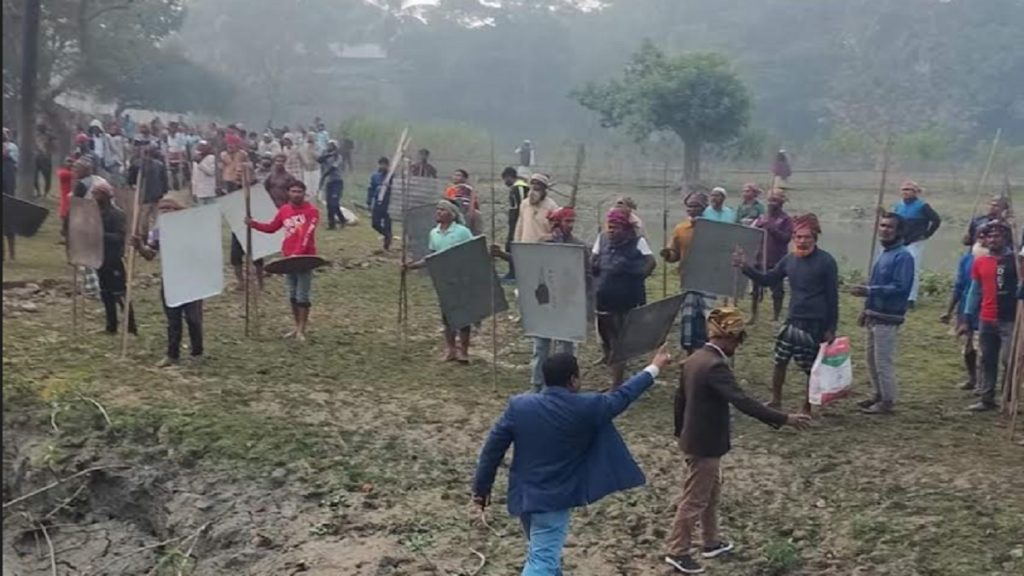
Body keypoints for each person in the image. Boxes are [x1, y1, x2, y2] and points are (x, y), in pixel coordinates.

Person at [473, 346, 673, 576]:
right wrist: (654, 367)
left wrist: (481, 489)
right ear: (573, 380)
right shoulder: (588, 407)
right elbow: (624, 395)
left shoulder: (519, 407)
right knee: (542, 560)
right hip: (553, 500)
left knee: (544, 554)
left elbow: (492, 450)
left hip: (524, 497)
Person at [665, 307, 810, 574]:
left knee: (710, 494)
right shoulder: (715, 366)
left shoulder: (694, 359)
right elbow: (743, 401)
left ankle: (710, 542)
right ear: (728, 337)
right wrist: (784, 418)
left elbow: (679, 400)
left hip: (694, 439)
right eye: (737, 340)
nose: (737, 346)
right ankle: (678, 551)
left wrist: (680, 433)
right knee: (695, 499)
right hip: (705, 444)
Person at [733, 213, 839, 414]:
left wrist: (831, 328)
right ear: (793, 238)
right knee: (780, 360)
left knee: (811, 367)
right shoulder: (789, 260)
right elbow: (767, 279)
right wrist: (745, 267)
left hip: (815, 322)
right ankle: (775, 400)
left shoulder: (826, 262)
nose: (802, 241)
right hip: (793, 319)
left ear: (815, 238)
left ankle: (807, 406)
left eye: (806, 237)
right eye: (798, 237)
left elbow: (833, 297)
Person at [492, 207, 588, 389]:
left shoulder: (578, 247)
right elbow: (527, 264)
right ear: (556, 223)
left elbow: (586, 275)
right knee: (542, 345)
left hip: (567, 303)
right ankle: (537, 384)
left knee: (567, 347)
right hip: (545, 301)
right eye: (567, 221)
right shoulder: (543, 243)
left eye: (572, 221)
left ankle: (567, 384)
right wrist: (503, 255)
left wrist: (578, 295)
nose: (570, 225)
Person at [850, 213, 915, 414]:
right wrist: (866, 309)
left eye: (890, 227)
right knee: (871, 359)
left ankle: (888, 400)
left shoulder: (903, 256)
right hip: (874, 314)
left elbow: (901, 287)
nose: (885, 230)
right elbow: (876, 282)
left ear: (899, 231)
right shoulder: (885, 253)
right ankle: (878, 393)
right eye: (883, 226)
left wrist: (870, 291)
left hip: (888, 316)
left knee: (883, 361)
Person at [133, 197, 204, 367]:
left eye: (168, 209)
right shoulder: (158, 231)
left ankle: (197, 352)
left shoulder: (191, 228)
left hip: (192, 278)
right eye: (161, 210)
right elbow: (150, 254)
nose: (164, 213)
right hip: (171, 279)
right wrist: (140, 246)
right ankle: (172, 354)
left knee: (193, 318)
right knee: (173, 319)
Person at [246, 181, 320, 342]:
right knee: (292, 294)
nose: (296, 194)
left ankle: (302, 329)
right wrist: (254, 224)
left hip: (305, 259)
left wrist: (298, 253)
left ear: (304, 193)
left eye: (299, 191)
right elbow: (272, 227)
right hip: (288, 258)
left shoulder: (312, 211)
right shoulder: (284, 210)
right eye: (293, 191)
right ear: (288, 193)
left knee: (302, 295)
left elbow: (307, 234)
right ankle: (296, 326)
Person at [403, 200, 475, 362]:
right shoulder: (434, 233)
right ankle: (451, 349)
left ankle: (464, 351)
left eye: (443, 210)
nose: (438, 212)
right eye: (438, 209)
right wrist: (412, 266)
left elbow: (472, 252)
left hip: (461, 278)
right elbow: (432, 257)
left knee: (464, 315)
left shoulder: (462, 232)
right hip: (443, 279)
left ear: (452, 214)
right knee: (447, 316)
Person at [593, 208, 656, 387]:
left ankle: (617, 385)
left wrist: (633, 273)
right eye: (610, 226)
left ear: (626, 228)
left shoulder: (637, 242)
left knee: (618, 343)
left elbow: (651, 263)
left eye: (616, 227)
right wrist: (595, 266)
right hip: (603, 297)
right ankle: (611, 364)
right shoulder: (602, 239)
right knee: (606, 339)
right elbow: (594, 259)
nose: (611, 230)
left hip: (625, 301)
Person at [961, 221, 1018, 411]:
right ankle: (987, 398)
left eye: (997, 236)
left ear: (1006, 238)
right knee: (987, 358)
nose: (993, 240)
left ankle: (1009, 398)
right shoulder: (980, 262)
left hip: (1010, 318)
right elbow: (975, 291)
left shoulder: (1016, 262)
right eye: (990, 236)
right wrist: (967, 315)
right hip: (986, 317)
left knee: (1009, 360)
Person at [662, 192, 711, 355]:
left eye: (695, 206)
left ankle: (706, 353)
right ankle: (690, 353)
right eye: (689, 206)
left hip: (710, 280)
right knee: (689, 318)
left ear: (704, 208)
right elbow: (674, 254)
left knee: (706, 317)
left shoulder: (713, 228)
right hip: (688, 279)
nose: (691, 209)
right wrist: (668, 254)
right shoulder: (681, 229)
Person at [91, 181, 137, 335]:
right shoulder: (93, 213)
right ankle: (111, 326)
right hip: (99, 259)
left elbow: (119, 237)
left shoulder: (117, 214)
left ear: (106, 196)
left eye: (98, 194)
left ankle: (131, 327)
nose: (95, 197)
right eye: (94, 193)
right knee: (105, 293)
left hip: (114, 260)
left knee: (120, 294)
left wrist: (99, 234)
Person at [942, 238, 988, 392]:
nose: (983, 241)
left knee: (982, 350)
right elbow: (959, 285)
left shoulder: (999, 262)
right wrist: (949, 310)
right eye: (980, 237)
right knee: (967, 348)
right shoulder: (967, 260)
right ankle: (972, 378)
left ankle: (983, 383)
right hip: (966, 310)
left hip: (985, 311)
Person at [891, 180, 941, 308]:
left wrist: (927, 234)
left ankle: (911, 298)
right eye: (903, 189)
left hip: (915, 242)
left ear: (915, 192)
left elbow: (936, 220)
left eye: (909, 190)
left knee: (912, 269)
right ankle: (897, 294)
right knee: (896, 268)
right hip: (900, 242)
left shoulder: (922, 206)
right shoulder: (898, 205)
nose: (905, 192)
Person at [750, 189, 794, 323]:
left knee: (777, 291)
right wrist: (758, 226)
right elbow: (752, 233)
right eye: (770, 200)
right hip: (759, 258)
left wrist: (772, 228)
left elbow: (786, 238)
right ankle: (753, 315)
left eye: (775, 201)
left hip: (777, 261)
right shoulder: (762, 217)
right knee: (755, 289)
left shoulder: (786, 220)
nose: (771, 204)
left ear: (781, 203)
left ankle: (775, 317)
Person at [127, 146, 169, 240]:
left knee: (144, 216)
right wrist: (164, 191)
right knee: (156, 217)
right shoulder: (159, 164)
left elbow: (130, 178)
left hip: (144, 195)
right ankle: (155, 236)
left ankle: (144, 236)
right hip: (157, 194)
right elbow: (164, 180)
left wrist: (132, 185)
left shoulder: (137, 164)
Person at [501, 166, 530, 282]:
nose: (505, 182)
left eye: (505, 179)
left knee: (512, 246)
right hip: (514, 222)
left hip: (518, 222)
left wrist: (520, 222)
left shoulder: (519, 187)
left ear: (509, 177)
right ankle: (512, 272)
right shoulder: (516, 187)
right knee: (510, 246)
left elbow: (523, 205)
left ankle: (514, 273)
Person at [514, 174, 559, 243]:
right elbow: (520, 226)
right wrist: (517, 243)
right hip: (525, 245)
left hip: (543, 246)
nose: (532, 193)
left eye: (537, 189)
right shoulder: (524, 204)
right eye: (532, 188)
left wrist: (547, 237)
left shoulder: (552, 207)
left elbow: (557, 232)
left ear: (543, 190)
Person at [318, 141, 346, 229]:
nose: (330, 147)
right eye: (329, 145)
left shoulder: (338, 157)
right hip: (329, 182)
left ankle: (340, 220)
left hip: (337, 181)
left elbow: (333, 168)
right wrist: (329, 154)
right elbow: (319, 160)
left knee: (334, 203)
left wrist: (324, 176)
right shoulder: (326, 155)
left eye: (332, 146)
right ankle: (333, 224)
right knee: (329, 204)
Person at [368, 156, 394, 251]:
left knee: (387, 224)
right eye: (381, 164)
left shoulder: (391, 176)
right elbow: (371, 189)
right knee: (375, 223)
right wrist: (369, 201)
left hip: (388, 203)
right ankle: (387, 235)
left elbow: (396, 188)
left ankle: (387, 244)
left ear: (388, 165)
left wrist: (389, 186)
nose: (382, 166)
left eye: (384, 164)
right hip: (378, 202)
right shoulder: (375, 176)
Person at [191, 141, 217, 205]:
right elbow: (194, 177)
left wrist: (200, 163)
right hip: (199, 192)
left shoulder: (211, 157)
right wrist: (194, 192)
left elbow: (211, 172)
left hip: (209, 192)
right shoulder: (196, 159)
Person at [166, 122, 189, 190]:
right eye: (170, 128)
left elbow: (183, 145)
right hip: (171, 155)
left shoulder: (180, 135)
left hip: (179, 154)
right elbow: (168, 146)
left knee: (182, 170)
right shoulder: (168, 136)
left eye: (173, 128)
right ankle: (175, 185)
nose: (171, 129)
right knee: (173, 171)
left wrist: (183, 155)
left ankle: (183, 184)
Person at [35, 123, 56, 197]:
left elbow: (54, 146)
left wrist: (48, 151)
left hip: (46, 158)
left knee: (47, 177)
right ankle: (38, 192)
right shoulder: (35, 136)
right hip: (37, 158)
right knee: (34, 176)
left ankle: (46, 193)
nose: (40, 130)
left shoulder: (49, 136)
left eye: (41, 128)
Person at [57, 157, 75, 240]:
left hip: (73, 198)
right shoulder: (63, 173)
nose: (70, 164)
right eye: (68, 162)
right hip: (65, 198)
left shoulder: (72, 173)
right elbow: (69, 175)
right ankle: (63, 236)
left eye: (71, 162)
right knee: (65, 216)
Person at [300, 133, 321, 200]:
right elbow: (302, 156)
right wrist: (305, 163)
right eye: (309, 137)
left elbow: (319, 157)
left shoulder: (317, 146)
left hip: (315, 168)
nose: (310, 139)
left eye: (312, 137)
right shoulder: (304, 146)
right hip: (307, 169)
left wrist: (312, 150)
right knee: (307, 187)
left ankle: (316, 199)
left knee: (315, 186)